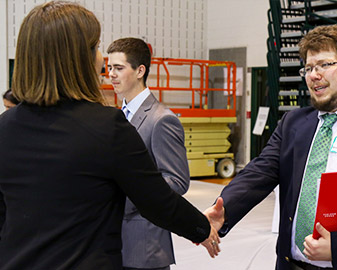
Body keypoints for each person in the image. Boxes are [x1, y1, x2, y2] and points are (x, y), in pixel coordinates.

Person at [0, 2, 220, 270]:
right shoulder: (107, 126)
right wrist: (202, 227)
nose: (102, 61)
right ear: (76, 60)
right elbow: (157, 201)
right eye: (95, 48)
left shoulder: (5, 127)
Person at [204, 24, 337, 270]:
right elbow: (259, 173)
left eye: (325, 65)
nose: (314, 75)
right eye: (309, 67)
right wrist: (223, 209)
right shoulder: (294, 123)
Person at [107, 38, 190, 270]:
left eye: (119, 68)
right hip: (114, 241)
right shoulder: (117, 116)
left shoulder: (162, 119)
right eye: (109, 67)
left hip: (144, 244)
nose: (111, 74)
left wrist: (128, 197)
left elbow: (177, 181)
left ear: (140, 71)